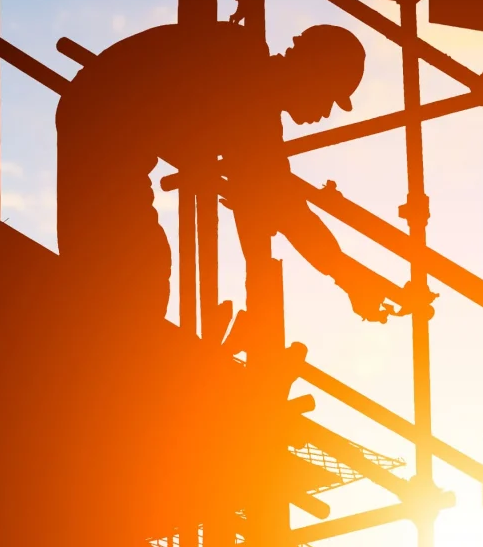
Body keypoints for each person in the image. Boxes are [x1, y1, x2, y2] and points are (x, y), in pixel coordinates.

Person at [54, 20, 409, 330]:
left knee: (126, 258)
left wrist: (346, 276)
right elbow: (283, 205)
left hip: (100, 120)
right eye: (329, 96)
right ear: (309, 71)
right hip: (101, 121)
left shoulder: (252, 88)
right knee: (137, 263)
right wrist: (346, 276)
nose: (327, 112)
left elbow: (267, 197)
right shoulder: (246, 72)